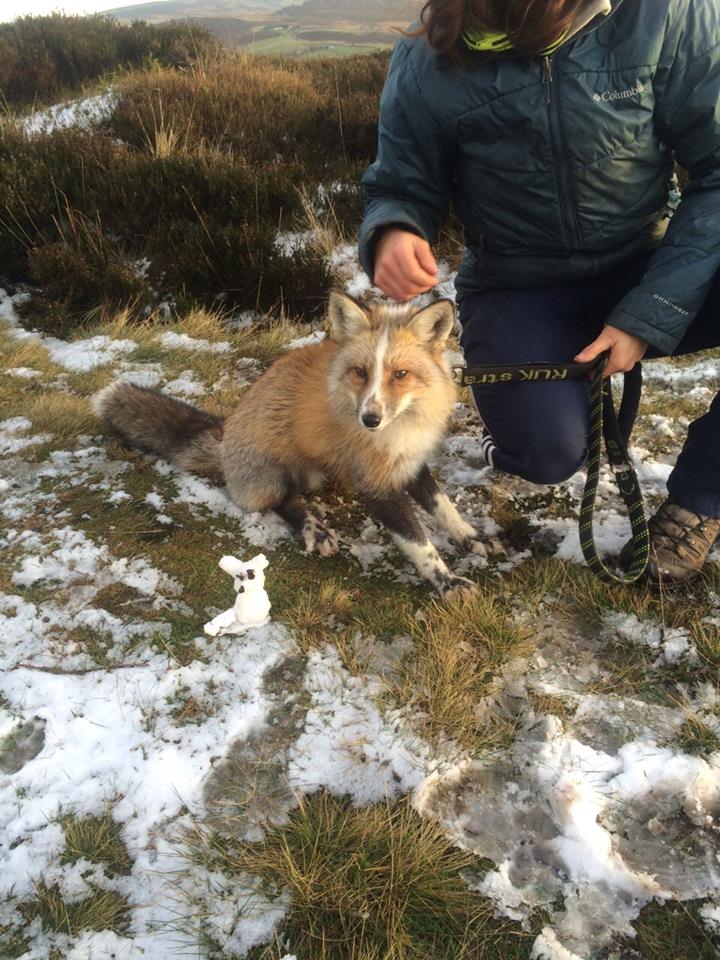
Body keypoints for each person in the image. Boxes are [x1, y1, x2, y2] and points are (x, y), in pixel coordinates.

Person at [358, 0, 720, 584]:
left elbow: (717, 172)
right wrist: (394, 228)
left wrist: (648, 315)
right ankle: (534, 429)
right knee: (546, 456)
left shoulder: (667, 12)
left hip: (652, 262)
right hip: (519, 285)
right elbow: (401, 181)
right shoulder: (429, 48)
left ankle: (700, 501)